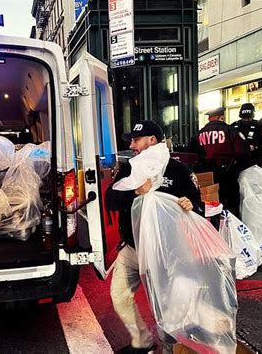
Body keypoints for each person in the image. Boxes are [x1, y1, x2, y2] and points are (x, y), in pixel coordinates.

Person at [105, 120, 204, 354]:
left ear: (152, 141)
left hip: (165, 252)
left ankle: (171, 347)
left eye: (136, 140)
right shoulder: (130, 169)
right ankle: (143, 342)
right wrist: (135, 192)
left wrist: (191, 205)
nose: (131, 145)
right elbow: (110, 200)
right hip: (132, 248)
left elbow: (198, 205)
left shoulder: (178, 170)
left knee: (166, 305)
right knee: (119, 295)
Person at [188, 107, 250, 216]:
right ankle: (229, 230)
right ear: (221, 117)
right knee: (230, 206)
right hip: (227, 175)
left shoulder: (199, 134)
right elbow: (243, 154)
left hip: (206, 176)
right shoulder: (231, 131)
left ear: (209, 119)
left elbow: (191, 154)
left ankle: (212, 229)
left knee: (210, 207)